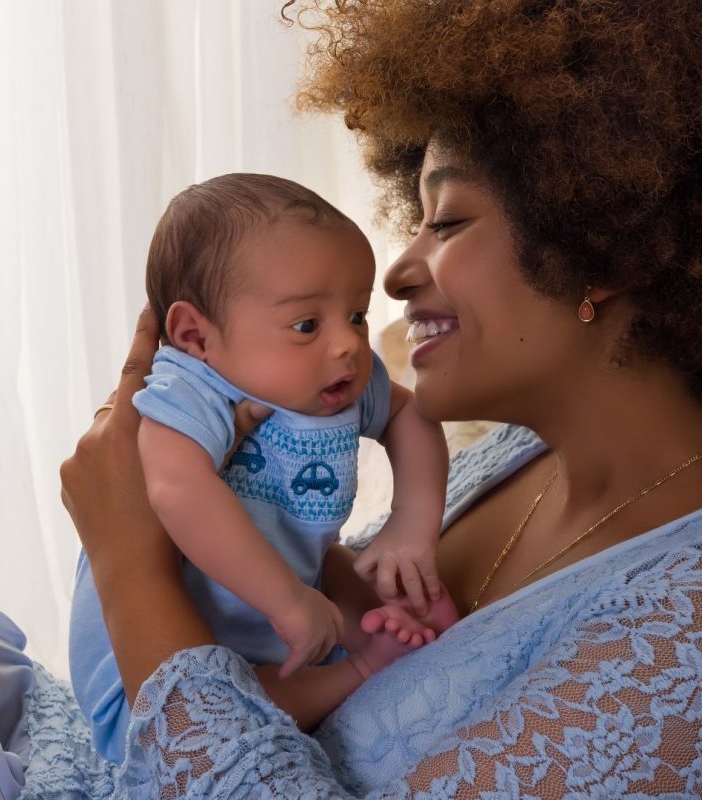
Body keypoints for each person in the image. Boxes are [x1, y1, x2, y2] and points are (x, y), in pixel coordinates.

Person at [62, 0, 702, 796]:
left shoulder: (683, 634)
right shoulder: (513, 457)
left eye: (450, 219)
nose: (396, 274)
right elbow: (307, 574)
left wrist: (130, 565)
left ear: (598, 242)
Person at [70, 173, 458, 763]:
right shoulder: (193, 390)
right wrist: (285, 600)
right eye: (307, 324)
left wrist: (411, 525)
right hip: (145, 671)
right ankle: (358, 666)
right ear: (196, 336)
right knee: (251, 703)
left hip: (272, 626)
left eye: (355, 315)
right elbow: (175, 490)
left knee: (325, 621)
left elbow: (413, 420)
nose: (348, 345)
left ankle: (374, 641)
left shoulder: (340, 381)